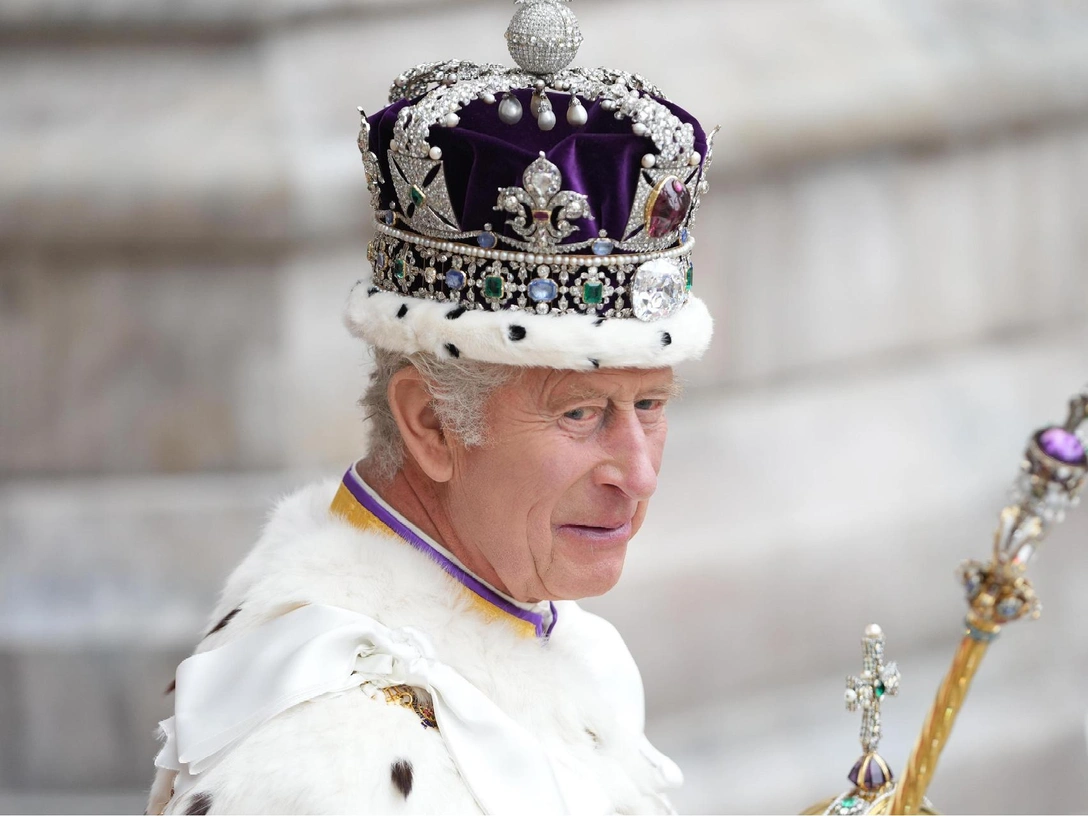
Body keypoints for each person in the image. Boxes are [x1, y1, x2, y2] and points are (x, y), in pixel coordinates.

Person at [148, 1, 716, 812]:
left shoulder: (537, 624)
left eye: (650, 403)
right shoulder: (331, 760)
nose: (639, 473)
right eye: (580, 413)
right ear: (430, 425)